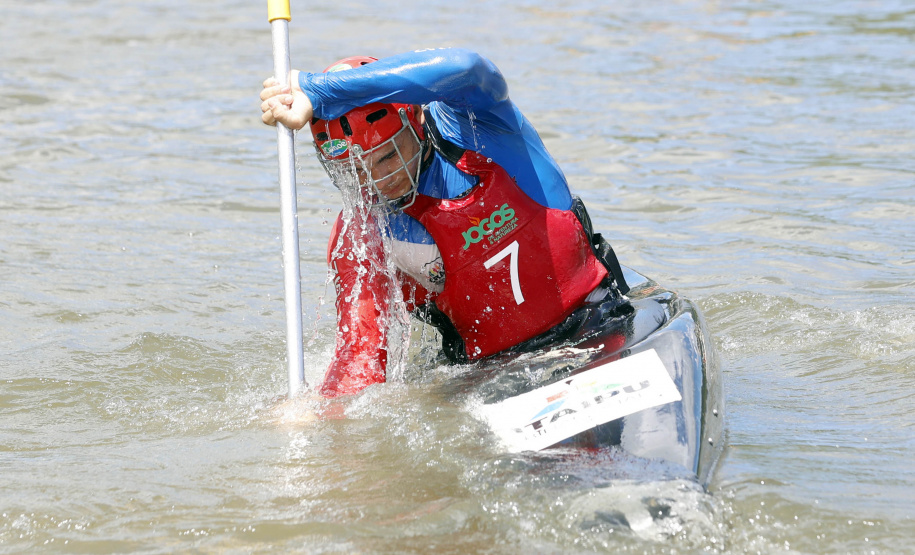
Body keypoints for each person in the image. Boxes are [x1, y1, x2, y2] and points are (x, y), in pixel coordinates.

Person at [261, 48, 629, 398]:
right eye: (354, 169)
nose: (376, 179)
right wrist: (324, 422)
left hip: (593, 323)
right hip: (487, 371)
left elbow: (468, 67)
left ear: (417, 119)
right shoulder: (360, 234)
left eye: (387, 155)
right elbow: (361, 353)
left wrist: (318, 89)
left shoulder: (477, 129)